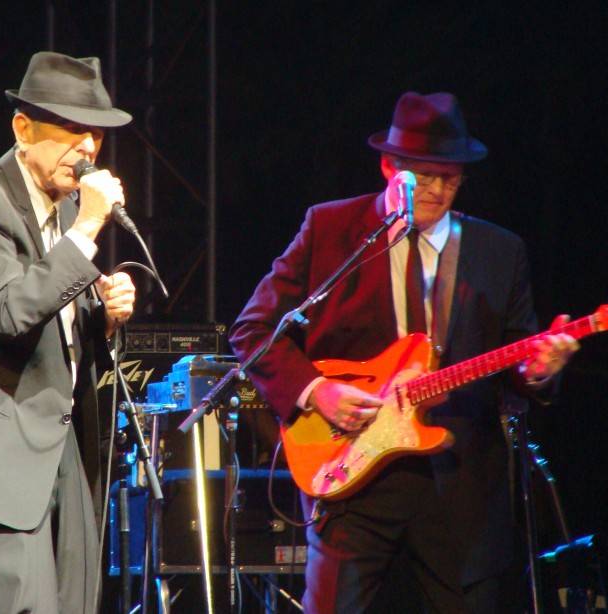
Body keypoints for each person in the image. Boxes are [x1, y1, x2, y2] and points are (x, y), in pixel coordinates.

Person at [229, 92, 579, 613]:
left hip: (461, 489)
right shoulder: (330, 228)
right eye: (424, 175)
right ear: (389, 165)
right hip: (352, 474)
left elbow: (518, 366)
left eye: (452, 178)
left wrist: (538, 371)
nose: (439, 191)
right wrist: (316, 391)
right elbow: (254, 330)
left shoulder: (500, 251)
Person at [0, 51, 137, 614]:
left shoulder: (59, 213)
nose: (87, 147)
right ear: (23, 128)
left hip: (63, 454)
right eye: (71, 129)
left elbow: (53, 332)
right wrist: (87, 230)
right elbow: (7, 314)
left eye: (96, 136)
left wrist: (102, 317)